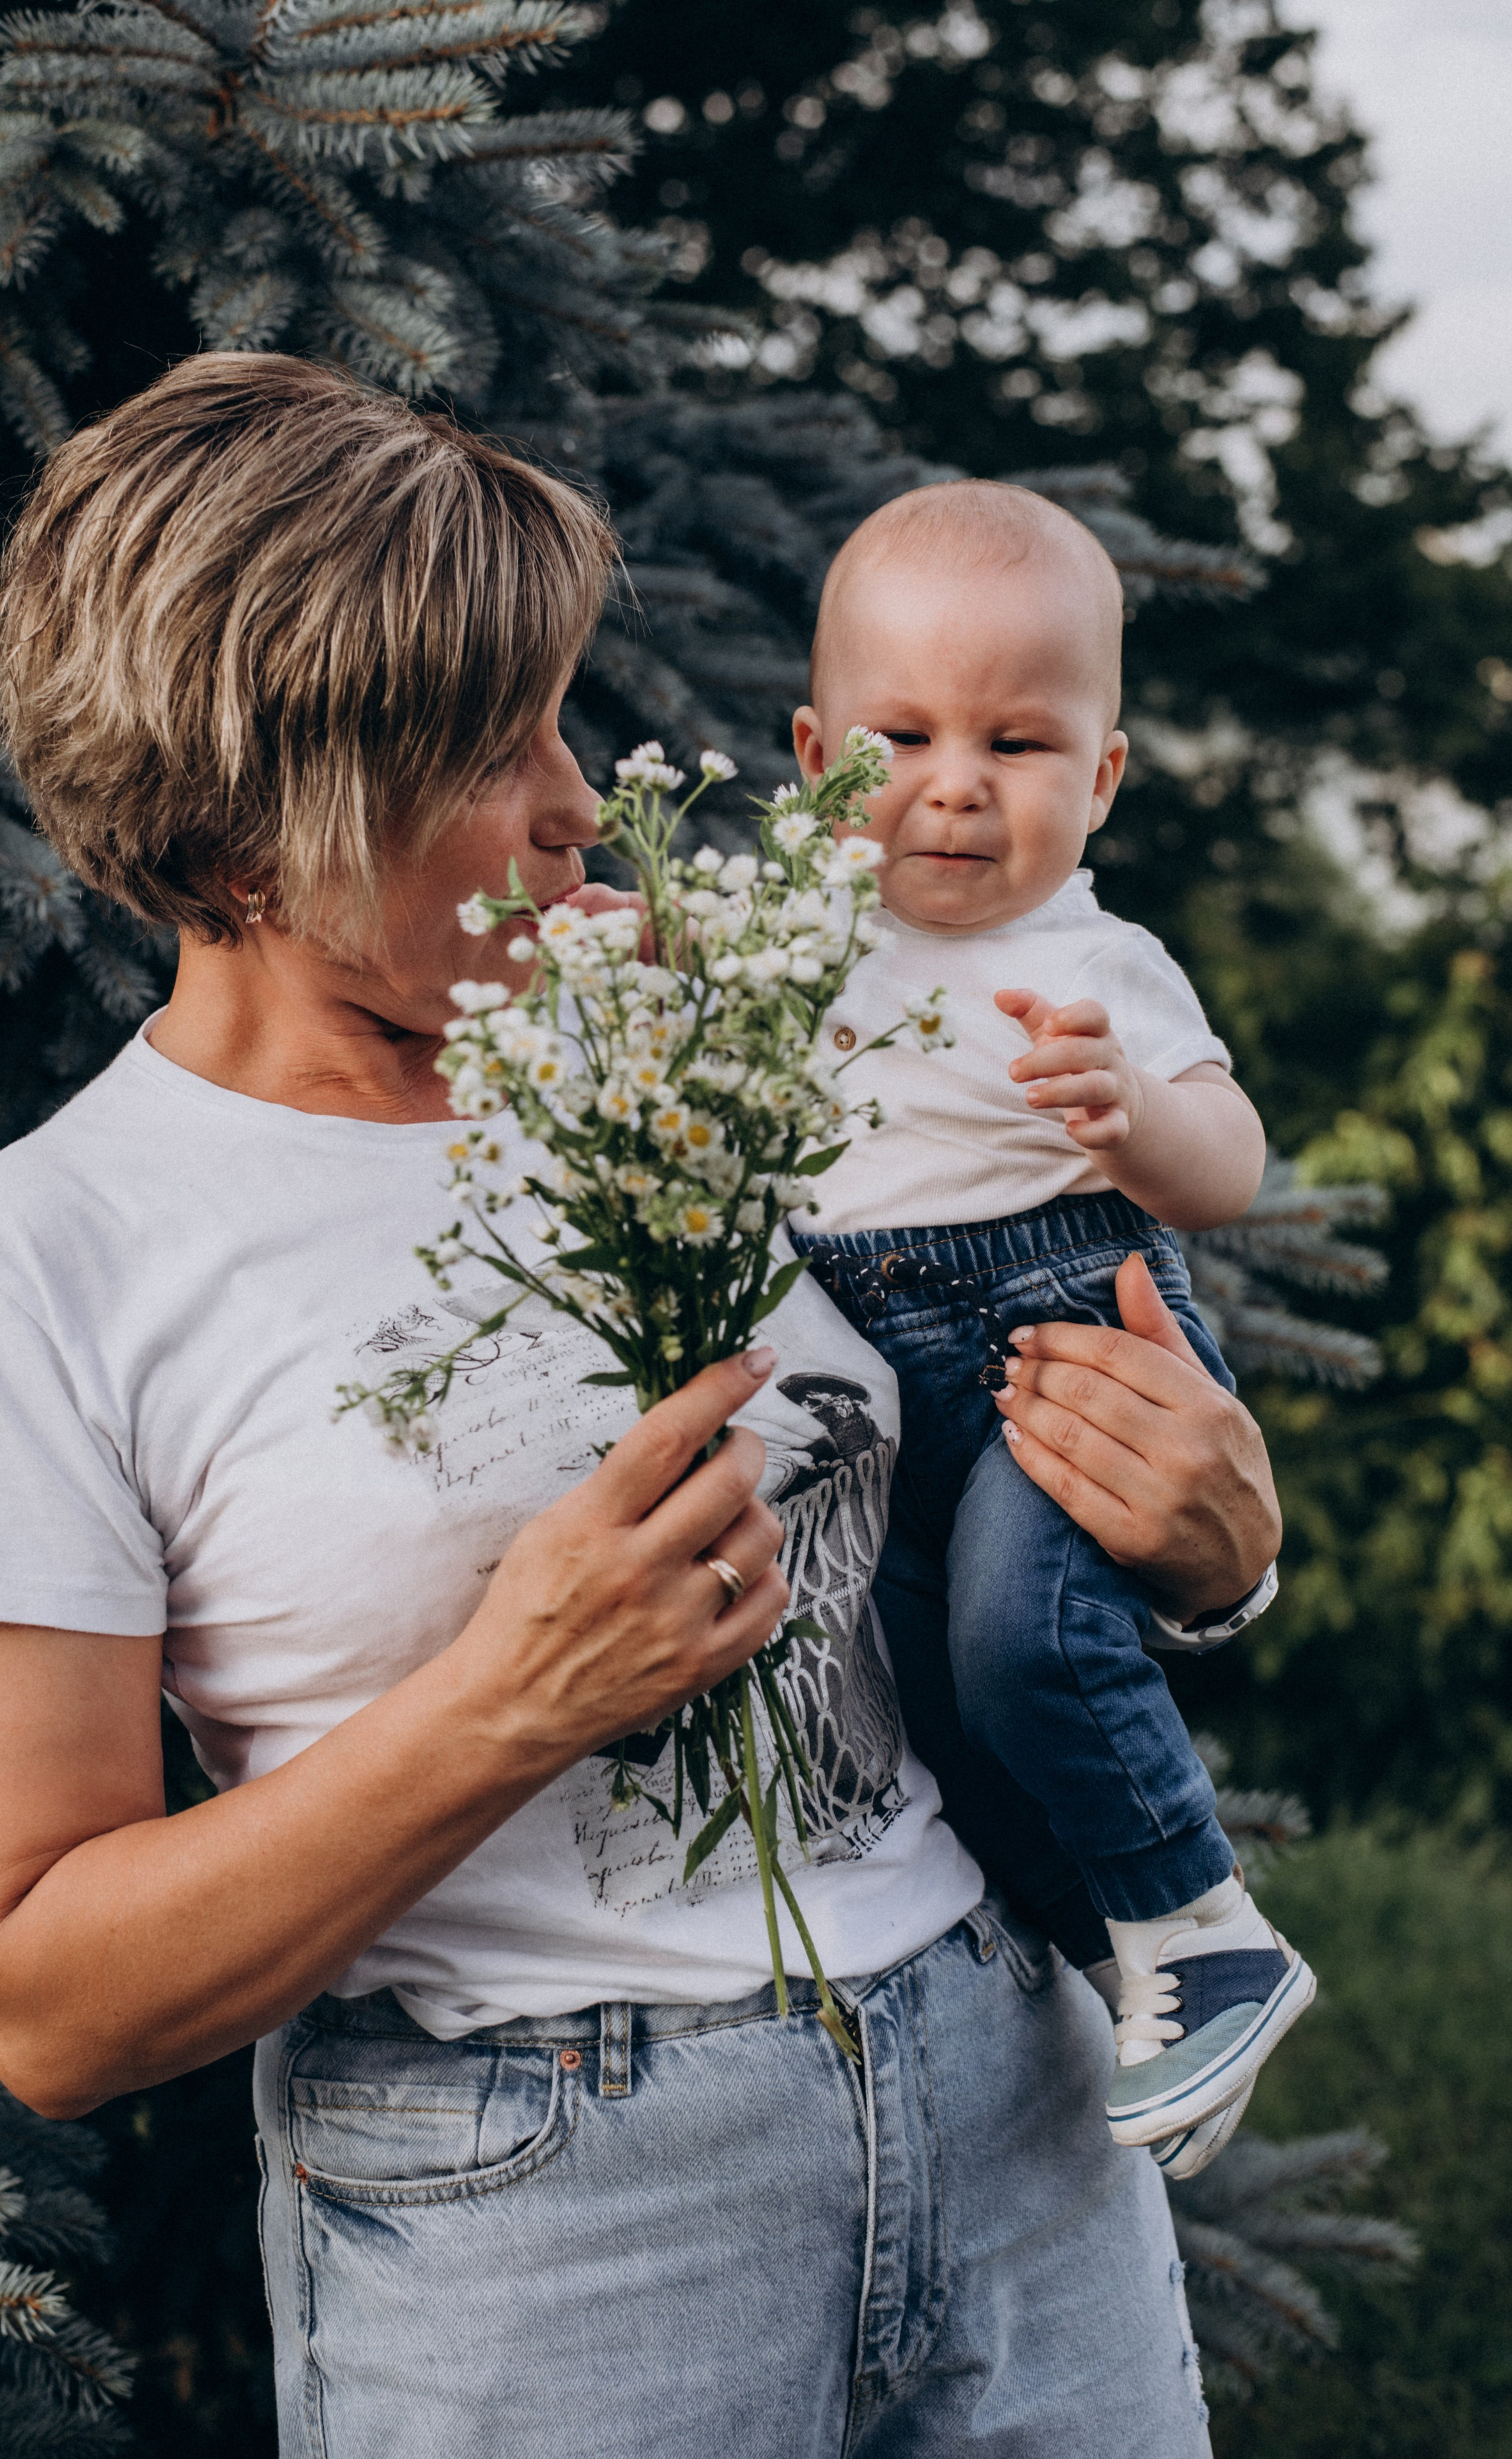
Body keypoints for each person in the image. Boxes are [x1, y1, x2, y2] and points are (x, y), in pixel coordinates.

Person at [0, 355, 1280, 2459]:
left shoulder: (700, 1029)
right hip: (550, 2221)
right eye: (485, 749)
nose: (579, 802)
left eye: (559, 716)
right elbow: (55, 2001)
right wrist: (508, 1700)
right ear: (250, 807)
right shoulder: (48, 1260)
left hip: (1011, 2106)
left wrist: (1214, 1551)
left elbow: (1002, 1424)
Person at [789, 481, 1313, 2178]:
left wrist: (1129, 1117)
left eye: (1018, 743)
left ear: (1098, 780)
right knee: (934, 1695)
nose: (953, 783)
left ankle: (1207, 1920)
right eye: (904, 735)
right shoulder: (794, 950)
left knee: (1028, 1640)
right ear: (815, 764)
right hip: (887, 1384)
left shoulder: (1095, 959)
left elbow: (1227, 1166)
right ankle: (1120, 1957)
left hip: (1065, 1337)